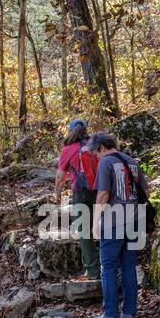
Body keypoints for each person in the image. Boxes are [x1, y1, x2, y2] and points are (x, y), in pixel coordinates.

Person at [89, 131, 148, 318]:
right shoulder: (132, 161)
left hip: (113, 222)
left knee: (108, 268)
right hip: (135, 220)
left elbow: (103, 194)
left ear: (101, 148)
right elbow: (145, 191)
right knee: (128, 266)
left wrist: (95, 222)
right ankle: (129, 313)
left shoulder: (106, 162)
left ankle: (110, 316)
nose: (97, 157)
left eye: (96, 153)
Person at [54, 118, 100, 280]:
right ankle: (110, 266)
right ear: (85, 130)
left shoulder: (68, 149)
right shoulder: (95, 144)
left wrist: (57, 192)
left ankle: (93, 270)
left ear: (70, 131)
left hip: (80, 193)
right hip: (100, 190)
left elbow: (61, 176)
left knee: (84, 231)